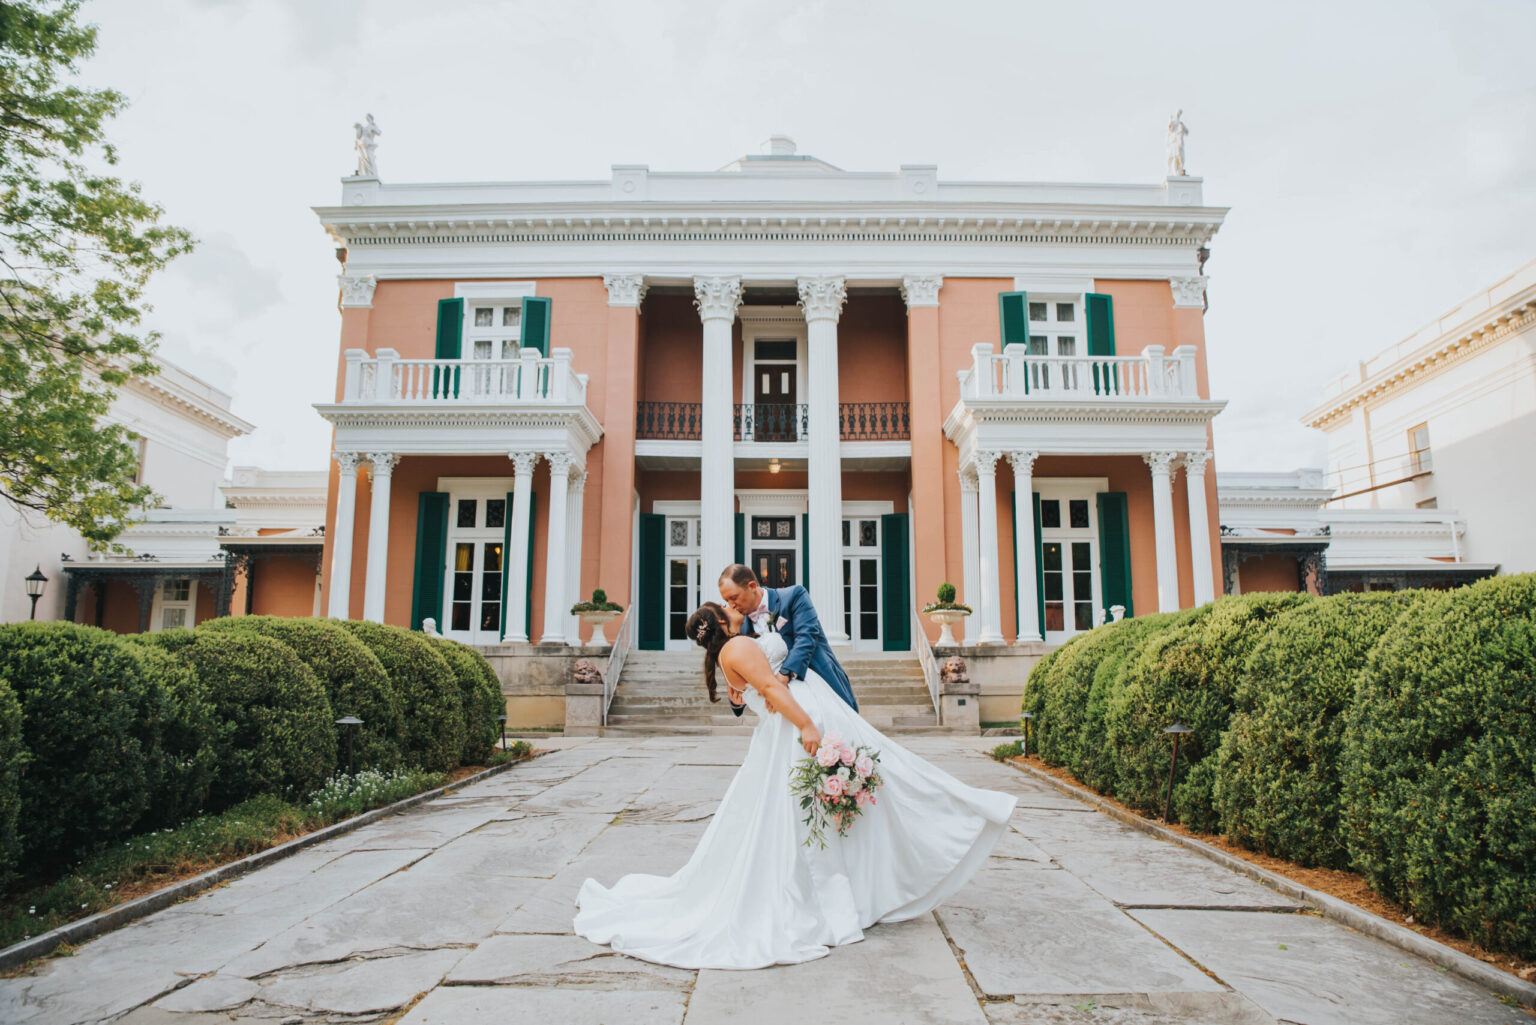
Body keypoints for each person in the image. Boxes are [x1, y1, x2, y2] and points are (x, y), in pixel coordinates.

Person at [572, 601, 1017, 970]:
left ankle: (860, 886)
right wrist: (807, 725)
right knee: (814, 816)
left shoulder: (725, 656)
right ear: (721, 623)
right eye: (726, 608)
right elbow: (771, 686)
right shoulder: (741, 647)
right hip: (791, 733)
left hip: (778, 738)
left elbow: (752, 692)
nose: (733, 608)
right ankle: (934, 836)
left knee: (803, 818)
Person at [717, 563, 858, 714]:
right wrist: (737, 700)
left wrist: (784, 676)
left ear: (752, 586)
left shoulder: (794, 596)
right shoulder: (741, 626)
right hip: (782, 710)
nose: (731, 605)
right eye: (727, 601)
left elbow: (806, 638)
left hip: (822, 687)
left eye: (734, 597)